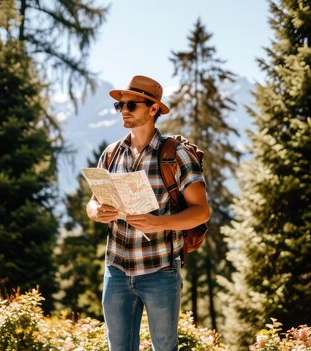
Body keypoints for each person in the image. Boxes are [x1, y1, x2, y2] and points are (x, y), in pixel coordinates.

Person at [86, 75, 211, 351]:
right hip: (116, 269)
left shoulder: (176, 155)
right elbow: (92, 203)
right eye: (120, 106)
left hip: (160, 271)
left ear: (154, 108)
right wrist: (98, 211)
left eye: (132, 105)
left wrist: (160, 223)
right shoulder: (111, 154)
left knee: (164, 348)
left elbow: (202, 212)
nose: (124, 111)